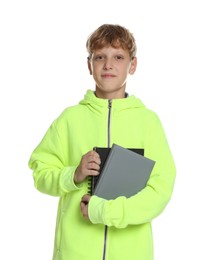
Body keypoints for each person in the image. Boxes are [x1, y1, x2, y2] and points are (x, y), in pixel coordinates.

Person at [28, 24, 176, 260]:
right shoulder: (70, 119)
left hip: (131, 253)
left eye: (118, 56)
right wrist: (73, 175)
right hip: (75, 253)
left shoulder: (148, 122)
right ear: (89, 65)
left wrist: (104, 211)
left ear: (133, 65)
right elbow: (40, 173)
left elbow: (160, 190)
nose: (108, 64)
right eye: (100, 57)